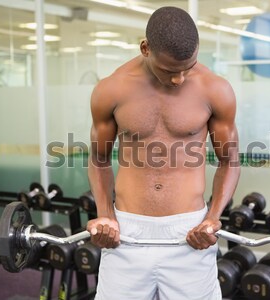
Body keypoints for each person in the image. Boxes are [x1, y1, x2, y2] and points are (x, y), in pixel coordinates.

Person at [87, 6, 240, 300]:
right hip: (127, 233)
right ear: (145, 49)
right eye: (170, 70)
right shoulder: (112, 89)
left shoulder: (215, 89)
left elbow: (230, 161)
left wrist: (212, 218)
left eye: (188, 67)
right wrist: (105, 216)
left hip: (190, 233)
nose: (179, 79)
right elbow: (99, 159)